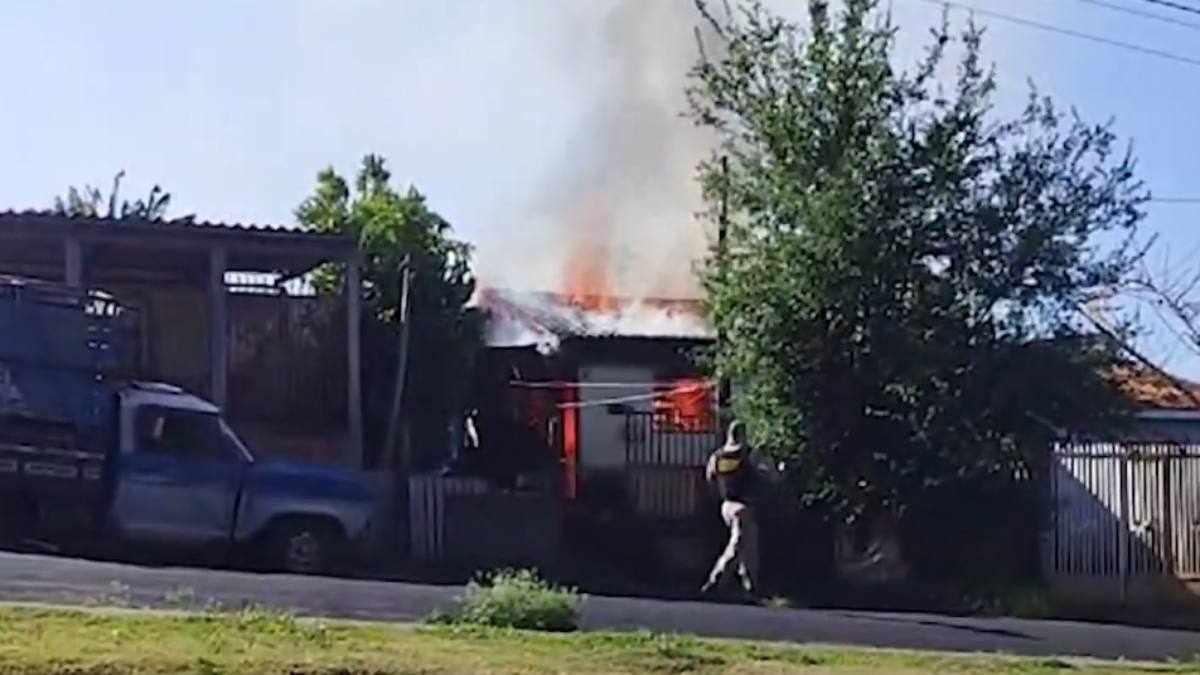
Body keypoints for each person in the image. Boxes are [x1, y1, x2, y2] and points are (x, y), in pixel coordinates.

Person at [701, 420, 777, 599]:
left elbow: (709, 478)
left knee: (748, 544)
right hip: (743, 506)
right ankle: (716, 580)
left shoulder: (717, 456)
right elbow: (770, 475)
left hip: (726, 505)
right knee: (739, 544)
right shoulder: (749, 454)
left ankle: (750, 586)